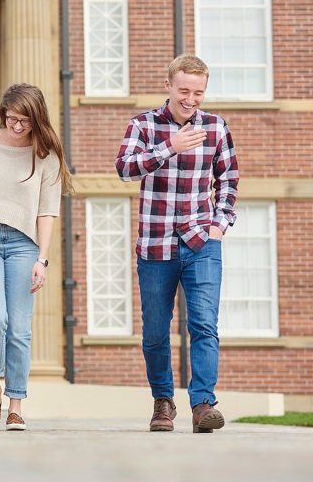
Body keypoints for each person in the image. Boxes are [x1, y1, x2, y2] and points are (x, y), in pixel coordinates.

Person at [115, 54, 238, 433]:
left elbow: (228, 181)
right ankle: (163, 402)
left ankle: (203, 403)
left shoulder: (216, 128)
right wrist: (171, 146)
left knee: (204, 324)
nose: (191, 99)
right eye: (184, 90)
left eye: (198, 92)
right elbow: (124, 169)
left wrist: (220, 224)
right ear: (168, 85)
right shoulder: (143, 125)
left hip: (202, 242)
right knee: (155, 331)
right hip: (155, 244)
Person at [0, 83, 72, 431]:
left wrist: (43, 259)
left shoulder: (46, 155)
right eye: (12, 119)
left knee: (20, 328)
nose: (18, 126)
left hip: (25, 244)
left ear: (36, 119)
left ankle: (16, 403)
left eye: (25, 120)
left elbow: (47, 212)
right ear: (2, 113)